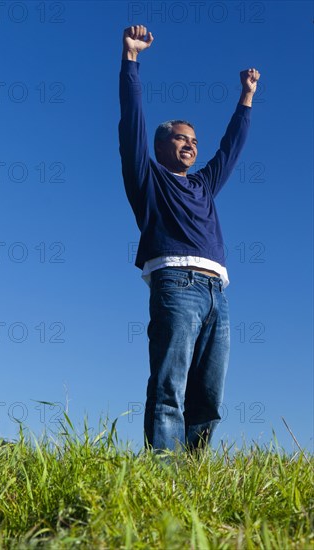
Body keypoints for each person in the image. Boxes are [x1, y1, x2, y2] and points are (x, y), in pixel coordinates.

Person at [118, 25, 260, 451]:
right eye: (182, 138)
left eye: (194, 142)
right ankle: (164, 474)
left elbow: (230, 149)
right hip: (176, 285)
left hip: (218, 289)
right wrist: (131, 60)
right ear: (162, 144)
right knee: (170, 386)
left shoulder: (203, 185)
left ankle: (195, 477)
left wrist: (247, 97)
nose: (191, 146)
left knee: (210, 394)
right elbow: (132, 122)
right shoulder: (148, 178)